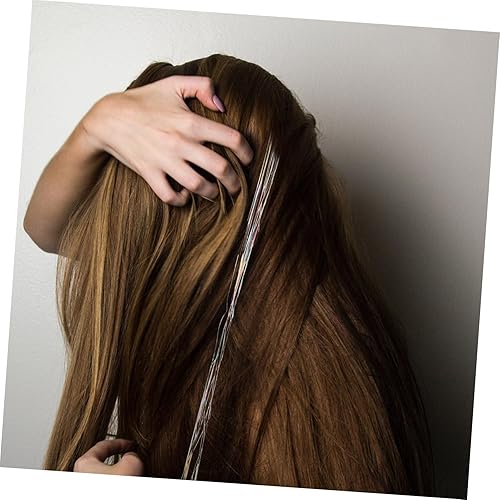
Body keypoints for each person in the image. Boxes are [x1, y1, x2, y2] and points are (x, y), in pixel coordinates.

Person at [26, 54, 435, 495]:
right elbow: (44, 230)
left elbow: (53, 233)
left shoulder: (310, 427)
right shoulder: (336, 348)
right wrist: (96, 126)